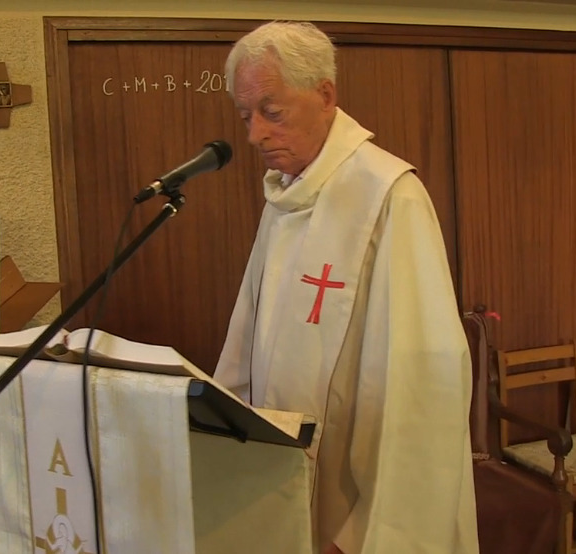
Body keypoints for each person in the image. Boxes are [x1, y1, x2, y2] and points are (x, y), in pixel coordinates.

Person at [214, 20, 479, 554]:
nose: (254, 135)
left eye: (271, 112)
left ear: (325, 95)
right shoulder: (285, 198)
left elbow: (424, 384)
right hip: (281, 480)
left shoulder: (389, 197)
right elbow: (249, 339)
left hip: (357, 506)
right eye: (245, 116)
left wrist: (368, 530)